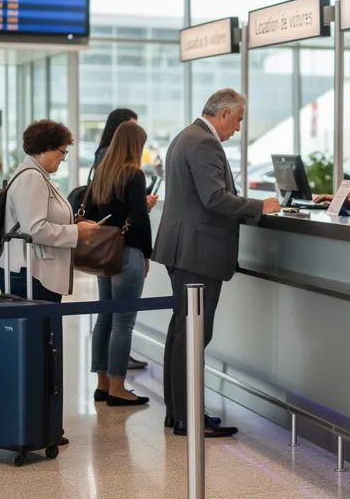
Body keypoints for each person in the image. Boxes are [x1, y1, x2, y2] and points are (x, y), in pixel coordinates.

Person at [154, 89, 281, 438]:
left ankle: (178, 413)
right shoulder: (204, 142)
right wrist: (258, 206)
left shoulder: (187, 136)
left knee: (182, 333)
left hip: (184, 249)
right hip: (197, 252)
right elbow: (214, 197)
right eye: (238, 120)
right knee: (193, 335)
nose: (238, 128)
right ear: (224, 114)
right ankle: (187, 417)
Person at [0, 120, 104, 447]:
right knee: (36, 350)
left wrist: (74, 224)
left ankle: (40, 422)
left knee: (41, 350)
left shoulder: (39, 176)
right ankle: (32, 424)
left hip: (37, 272)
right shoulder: (31, 178)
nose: (63, 158)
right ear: (45, 149)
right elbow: (35, 229)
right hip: (31, 276)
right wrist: (76, 232)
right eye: (61, 151)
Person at [80, 121, 154, 406]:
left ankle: (102, 384)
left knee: (105, 317)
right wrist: (147, 255)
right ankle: (118, 388)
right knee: (124, 322)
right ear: (135, 146)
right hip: (128, 252)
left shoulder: (102, 173)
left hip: (105, 253)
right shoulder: (134, 175)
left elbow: (100, 214)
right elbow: (140, 220)